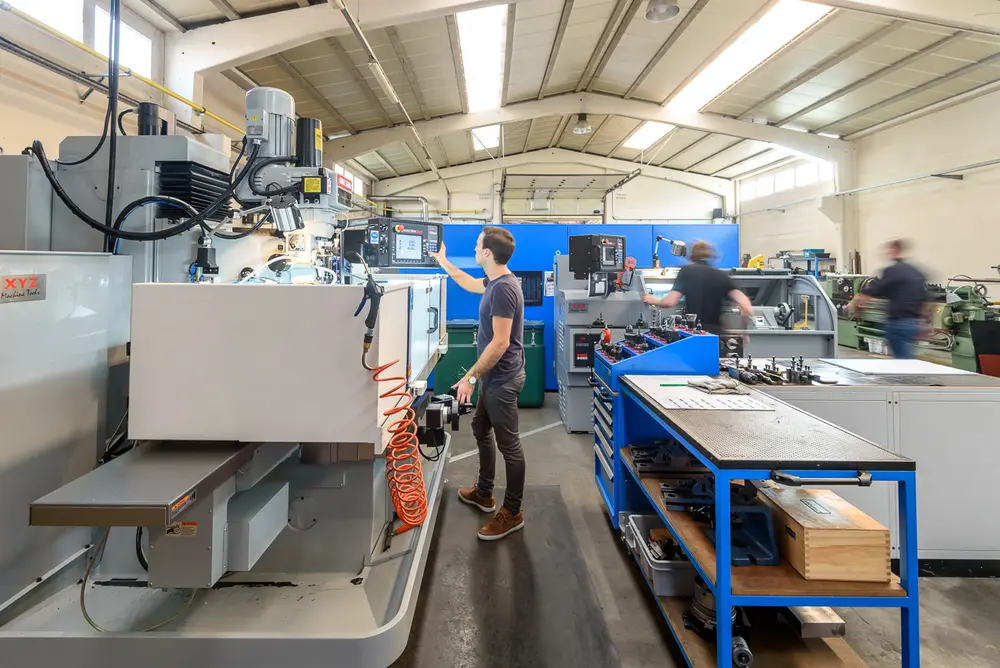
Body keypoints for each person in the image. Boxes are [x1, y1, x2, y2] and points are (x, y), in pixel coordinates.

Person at [430, 227, 526, 541]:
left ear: (487, 252)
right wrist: (442, 261)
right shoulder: (494, 282)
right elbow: (470, 283)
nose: (473, 248)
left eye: (476, 245)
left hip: (503, 378)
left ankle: (512, 512)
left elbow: (499, 343)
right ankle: (484, 493)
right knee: (480, 428)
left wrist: (471, 378)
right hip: (496, 377)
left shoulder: (503, 289)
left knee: (509, 446)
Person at [642, 240, 753, 334]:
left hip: (693, 332)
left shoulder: (687, 272)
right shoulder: (720, 275)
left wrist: (654, 300)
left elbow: (669, 302)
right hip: (715, 334)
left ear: (691, 257)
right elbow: (745, 305)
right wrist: (745, 332)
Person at [848, 238, 929, 359]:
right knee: (907, 357)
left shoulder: (892, 270)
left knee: (903, 361)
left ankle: (908, 376)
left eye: (889, 250)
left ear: (895, 250)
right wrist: (924, 322)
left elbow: (873, 290)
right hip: (914, 324)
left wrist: (853, 304)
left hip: (898, 324)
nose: (887, 253)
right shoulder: (917, 271)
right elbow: (925, 299)